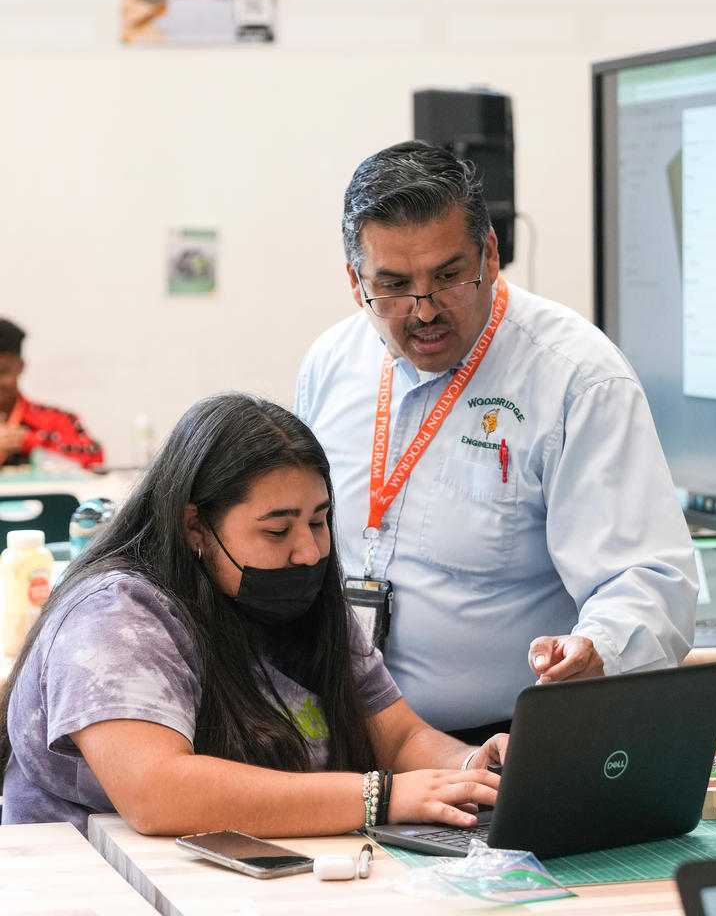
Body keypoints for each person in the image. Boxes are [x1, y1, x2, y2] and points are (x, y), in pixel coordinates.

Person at [295, 140, 698, 741]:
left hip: (503, 744)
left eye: (449, 277)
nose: (424, 309)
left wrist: (597, 648)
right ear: (357, 282)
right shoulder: (331, 362)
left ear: (490, 253)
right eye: (395, 285)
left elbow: (648, 578)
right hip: (345, 734)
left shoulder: (575, 377)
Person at [0, 392, 504, 837]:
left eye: (319, 520)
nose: (308, 551)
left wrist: (473, 770)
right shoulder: (116, 613)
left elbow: (400, 735)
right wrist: (380, 797)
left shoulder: (301, 600)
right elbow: (158, 793)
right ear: (195, 525)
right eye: (277, 531)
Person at [0, 318, 104, 470]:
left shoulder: (55, 419)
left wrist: (28, 441)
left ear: (20, 367)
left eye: (3, 372)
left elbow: (94, 457)